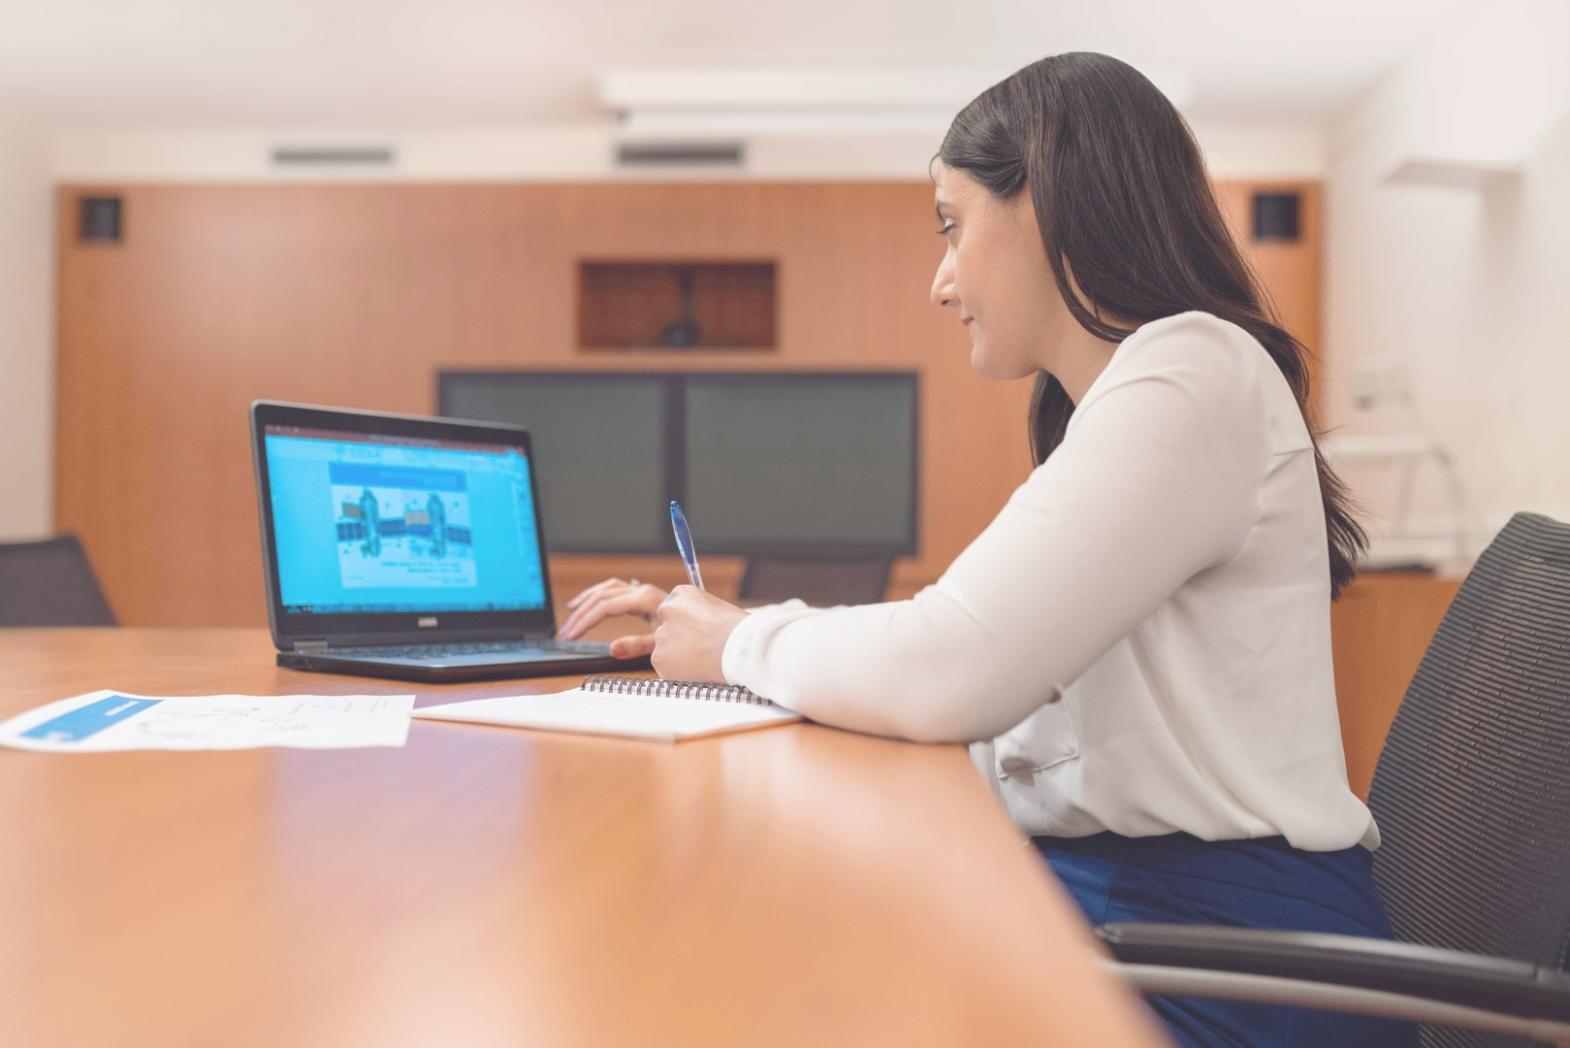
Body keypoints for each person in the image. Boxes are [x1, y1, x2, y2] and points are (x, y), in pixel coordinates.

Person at [558, 52, 1414, 1047]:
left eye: (952, 226)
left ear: (1042, 204)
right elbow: (970, 660)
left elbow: (956, 663)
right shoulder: (1129, 404)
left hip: (1230, 958)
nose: (941, 278)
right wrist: (742, 643)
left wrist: (739, 645)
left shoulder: (1193, 371)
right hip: (1145, 912)